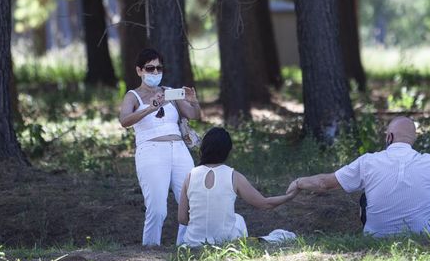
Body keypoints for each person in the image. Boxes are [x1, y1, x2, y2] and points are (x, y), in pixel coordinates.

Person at [288, 117, 430, 236]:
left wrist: (298, 183)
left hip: (377, 237)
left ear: (389, 137)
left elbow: (323, 183)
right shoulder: (429, 162)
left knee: (365, 197)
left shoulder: (368, 161)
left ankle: (373, 232)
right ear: (412, 140)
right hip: (423, 235)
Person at [118, 48, 202, 246]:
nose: (155, 72)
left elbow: (193, 115)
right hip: (151, 150)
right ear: (139, 70)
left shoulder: (168, 92)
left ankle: (186, 246)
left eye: (159, 68)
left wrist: (194, 101)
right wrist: (150, 108)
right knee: (157, 209)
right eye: (150, 68)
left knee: (191, 202)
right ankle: (150, 248)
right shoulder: (133, 96)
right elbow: (124, 120)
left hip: (179, 149)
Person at [178, 127, 298, 246]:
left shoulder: (190, 176)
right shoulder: (233, 176)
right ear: (227, 151)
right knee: (238, 219)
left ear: (203, 148)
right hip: (224, 242)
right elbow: (264, 203)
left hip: (193, 242)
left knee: (235, 219)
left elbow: (182, 218)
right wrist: (289, 196)